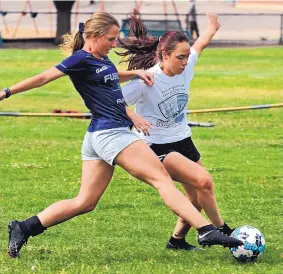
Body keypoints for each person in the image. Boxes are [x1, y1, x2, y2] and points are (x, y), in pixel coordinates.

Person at [1, 12, 242, 259]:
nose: (115, 44)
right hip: (112, 133)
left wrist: (135, 74)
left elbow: (110, 77)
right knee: (161, 179)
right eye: (111, 39)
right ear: (93, 36)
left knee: (85, 202)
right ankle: (205, 230)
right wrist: (6, 92)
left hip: (97, 136)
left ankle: (24, 227)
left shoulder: (101, 59)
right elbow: (42, 78)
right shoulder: (79, 60)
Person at [119, 13, 237, 251]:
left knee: (196, 200)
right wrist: (133, 116)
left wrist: (212, 28)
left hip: (183, 139)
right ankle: (220, 230)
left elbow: (199, 44)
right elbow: (111, 101)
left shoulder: (187, 65)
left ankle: (177, 241)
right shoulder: (147, 80)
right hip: (157, 147)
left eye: (186, 57)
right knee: (204, 181)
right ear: (164, 55)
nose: (185, 62)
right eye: (180, 58)